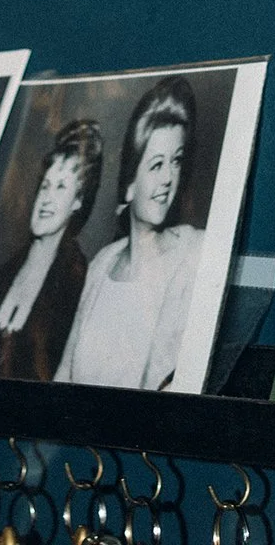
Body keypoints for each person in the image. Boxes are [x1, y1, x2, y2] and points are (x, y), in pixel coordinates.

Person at [54, 79, 204, 389]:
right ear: (130, 181)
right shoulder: (101, 265)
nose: (168, 178)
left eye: (176, 162)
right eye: (156, 165)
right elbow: (63, 378)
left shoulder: (196, 252)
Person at [0, 119, 105, 380]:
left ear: (78, 200)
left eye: (61, 187)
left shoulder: (76, 285)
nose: (46, 198)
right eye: (45, 186)